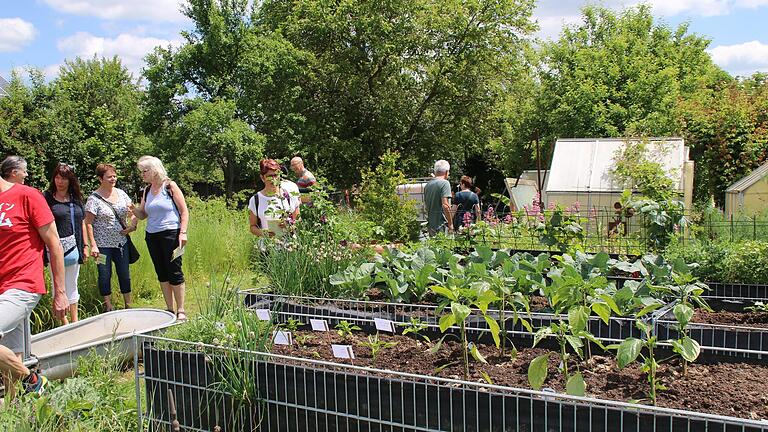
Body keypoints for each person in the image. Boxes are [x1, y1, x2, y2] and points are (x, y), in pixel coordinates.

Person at [0, 156, 68, 398]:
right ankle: (12, 415)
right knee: (10, 358)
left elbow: (54, 244)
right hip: (1, 289)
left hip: (23, 284)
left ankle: (33, 380)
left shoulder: (27, 196)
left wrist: (60, 293)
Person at [132, 156, 189, 321]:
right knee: (161, 272)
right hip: (152, 236)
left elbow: (184, 211)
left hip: (171, 234)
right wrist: (133, 209)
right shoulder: (147, 190)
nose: (142, 175)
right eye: (141, 172)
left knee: (174, 271)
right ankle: (169, 310)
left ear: (155, 170)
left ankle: (181, 310)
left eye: (144, 171)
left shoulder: (170, 185)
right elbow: (143, 214)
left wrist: (183, 232)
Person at [84, 163, 136, 312]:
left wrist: (132, 226)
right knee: (104, 274)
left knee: (124, 273)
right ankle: (108, 305)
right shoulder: (94, 199)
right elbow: (88, 223)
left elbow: (133, 212)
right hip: (102, 247)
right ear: (100, 179)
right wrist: (93, 245)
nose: (113, 179)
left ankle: (128, 304)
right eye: (109, 177)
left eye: (114, 176)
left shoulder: (121, 194)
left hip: (121, 244)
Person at [44, 163, 87, 324]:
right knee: (58, 286)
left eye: (64, 178)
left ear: (70, 180)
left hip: (73, 246)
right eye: (57, 177)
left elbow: (82, 222)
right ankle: (64, 324)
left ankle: (75, 322)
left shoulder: (75, 198)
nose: (60, 181)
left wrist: (86, 246)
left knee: (72, 284)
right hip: (53, 247)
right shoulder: (46, 198)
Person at [249, 159, 300, 237]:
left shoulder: (289, 196)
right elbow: (252, 226)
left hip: (289, 245)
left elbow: (298, 221)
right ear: (262, 178)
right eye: (269, 176)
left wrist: (289, 225)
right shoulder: (256, 200)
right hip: (267, 246)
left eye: (276, 175)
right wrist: (263, 233)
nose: (273, 179)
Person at [424, 160, 454, 236]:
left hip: (431, 225)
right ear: (447, 172)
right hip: (441, 225)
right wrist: (450, 224)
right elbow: (445, 205)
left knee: (433, 247)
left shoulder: (428, 185)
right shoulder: (445, 183)